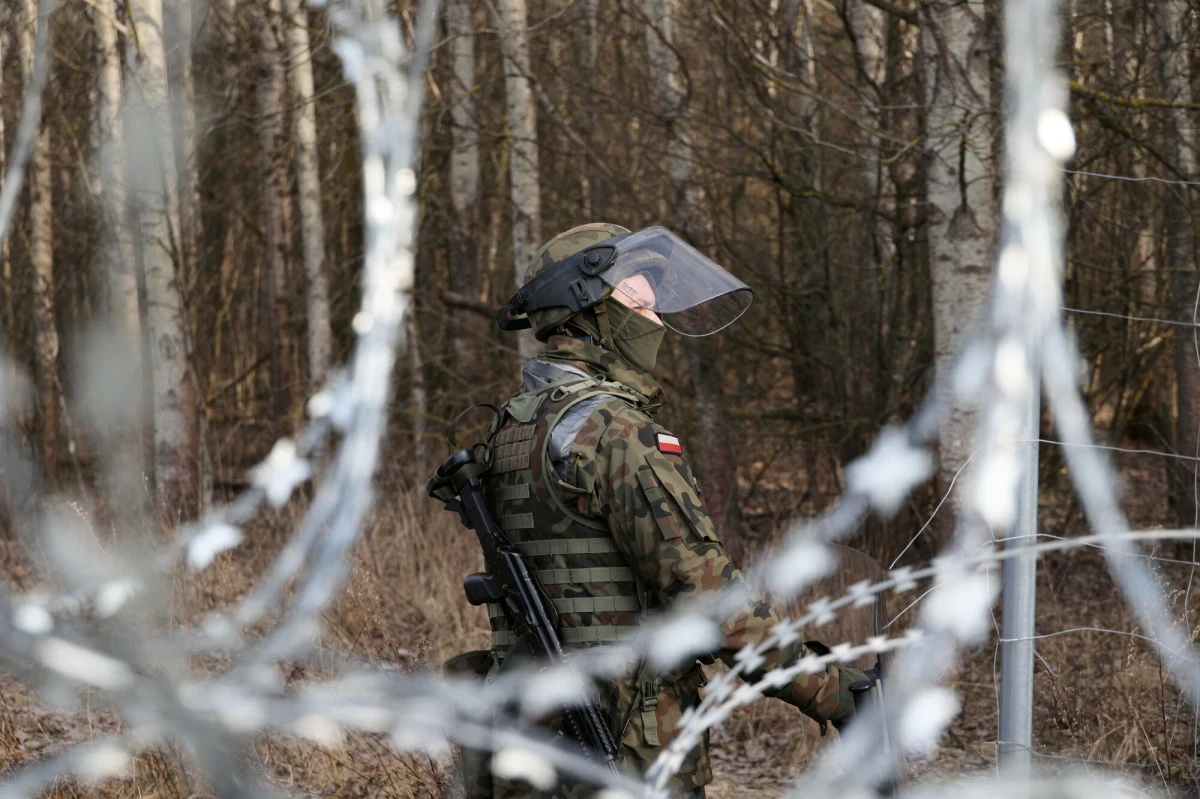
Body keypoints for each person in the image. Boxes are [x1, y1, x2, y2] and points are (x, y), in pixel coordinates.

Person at [443, 223, 868, 799]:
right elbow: (710, 599)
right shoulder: (614, 430)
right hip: (620, 744)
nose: (658, 321)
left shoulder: (513, 427)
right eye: (640, 302)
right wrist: (836, 692)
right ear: (589, 309)